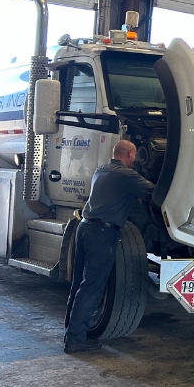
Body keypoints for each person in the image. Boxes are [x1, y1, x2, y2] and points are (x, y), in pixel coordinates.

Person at [63, 140, 154, 354]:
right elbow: (154, 192)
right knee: (92, 286)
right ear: (130, 153)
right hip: (101, 234)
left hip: (84, 228)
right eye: (135, 156)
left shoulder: (102, 169)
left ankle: (71, 332)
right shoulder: (126, 175)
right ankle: (75, 340)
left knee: (79, 284)